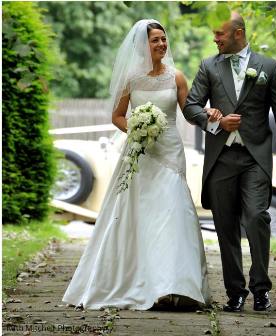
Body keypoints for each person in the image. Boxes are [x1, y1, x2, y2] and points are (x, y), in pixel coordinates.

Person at [62, 19, 212, 310]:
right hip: (141, 154)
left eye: (163, 39)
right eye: (155, 40)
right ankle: (144, 281)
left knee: (173, 213)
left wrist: (211, 116)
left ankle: (177, 286)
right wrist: (137, 128)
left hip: (170, 152)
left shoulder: (177, 77)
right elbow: (117, 116)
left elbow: (191, 112)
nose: (161, 44)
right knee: (142, 215)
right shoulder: (131, 79)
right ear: (144, 45)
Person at [183, 12, 276, 312]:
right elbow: (191, 106)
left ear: (238, 33)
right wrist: (214, 122)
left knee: (258, 217)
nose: (215, 39)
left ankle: (261, 289)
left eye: (220, 34)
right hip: (221, 159)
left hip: (255, 157)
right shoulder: (208, 65)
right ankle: (236, 293)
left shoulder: (269, 67)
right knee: (225, 225)